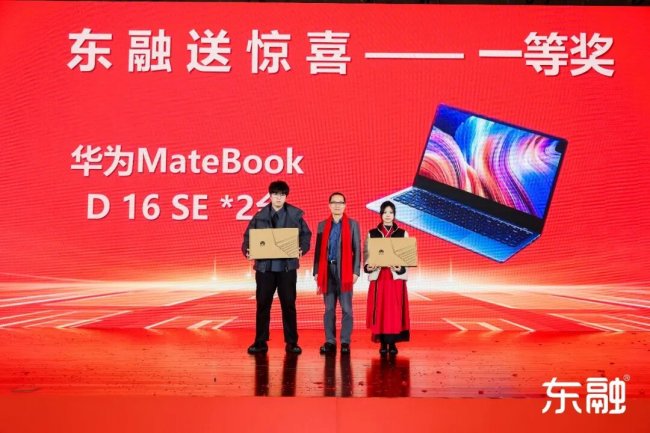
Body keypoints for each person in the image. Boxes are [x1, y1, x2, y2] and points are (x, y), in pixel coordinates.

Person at [243, 180, 311, 355]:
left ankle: (292, 342)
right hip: (264, 268)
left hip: (286, 268)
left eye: (282, 194)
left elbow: (306, 235)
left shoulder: (295, 215)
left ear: (286, 196)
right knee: (262, 305)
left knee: (288, 305)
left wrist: (301, 248)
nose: (278, 198)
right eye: (275, 194)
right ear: (270, 196)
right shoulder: (259, 216)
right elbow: (248, 237)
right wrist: (247, 250)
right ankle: (260, 342)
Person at [313, 192, 361, 355]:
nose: (337, 205)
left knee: (347, 308)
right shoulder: (322, 225)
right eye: (334, 202)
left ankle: (345, 341)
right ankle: (330, 341)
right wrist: (316, 271)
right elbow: (318, 250)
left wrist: (356, 271)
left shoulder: (353, 225)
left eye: (340, 202)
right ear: (329, 205)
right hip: (327, 271)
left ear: (345, 205)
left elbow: (357, 249)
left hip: (345, 271)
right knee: (329, 309)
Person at [364, 200, 410, 355]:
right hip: (379, 278)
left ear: (394, 215)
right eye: (385, 212)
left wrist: (400, 267)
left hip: (395, 279)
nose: (388, 215)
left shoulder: (403, 234)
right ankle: (383, 343)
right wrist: (369, 266)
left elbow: (407, 259)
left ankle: (393, 344)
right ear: (381, 214)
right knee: (381, 311)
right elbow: (367, 257)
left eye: (391, 212)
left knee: (394, 312)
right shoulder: (372, 233)